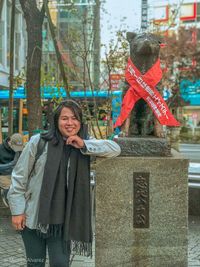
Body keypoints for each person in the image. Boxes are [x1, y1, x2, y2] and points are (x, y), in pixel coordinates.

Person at [8, 99, 121, 267]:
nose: (70, 123)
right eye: (64, 118)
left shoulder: (84, 144)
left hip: (63, 221)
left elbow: (115, 149)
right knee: (35, 264)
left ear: (80, 122)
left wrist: (84, 144)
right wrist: (17, 211)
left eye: (74, 118)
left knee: (61, 264)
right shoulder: (39, 142)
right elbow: (19, 177)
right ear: (56, 121)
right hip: (33, 216)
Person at [0, 133, 24, 207]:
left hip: (17, 173)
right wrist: (10, 165)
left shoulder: (20, 149)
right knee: (9, 188)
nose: (17, 149)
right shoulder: (1, 149)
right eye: (16, 147)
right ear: (10, 142)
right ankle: (5, 195)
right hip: (4, 174)